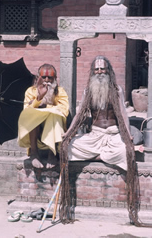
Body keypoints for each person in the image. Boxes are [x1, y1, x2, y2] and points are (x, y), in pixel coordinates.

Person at [59, 56, 142, 226]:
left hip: (113, 135)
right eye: (96, 69)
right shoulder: (88, 91)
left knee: (126, 152)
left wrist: (128, 136)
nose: (99, 72)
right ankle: (102, 154)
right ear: (92, 72)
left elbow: (123, 115)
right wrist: (68, 133)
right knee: (69, 147)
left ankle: (100, 154)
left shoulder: (116, 90)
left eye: (102, 69)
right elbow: (79, 115)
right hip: (95, 136)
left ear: (108, 70)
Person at [18, 63, 69, 169]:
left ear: (54, 79)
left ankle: (52, 153)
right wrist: (39, 98)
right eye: (43, 77)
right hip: (36, 133)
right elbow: (25, 112)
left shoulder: (60, 92)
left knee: (54, 114)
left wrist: (47, 105)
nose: (46, 80)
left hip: (54, 132)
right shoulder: (30, 91)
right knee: (32, 113)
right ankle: (34, 153)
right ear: (38, 78)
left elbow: (64, 110)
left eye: (50, 77)